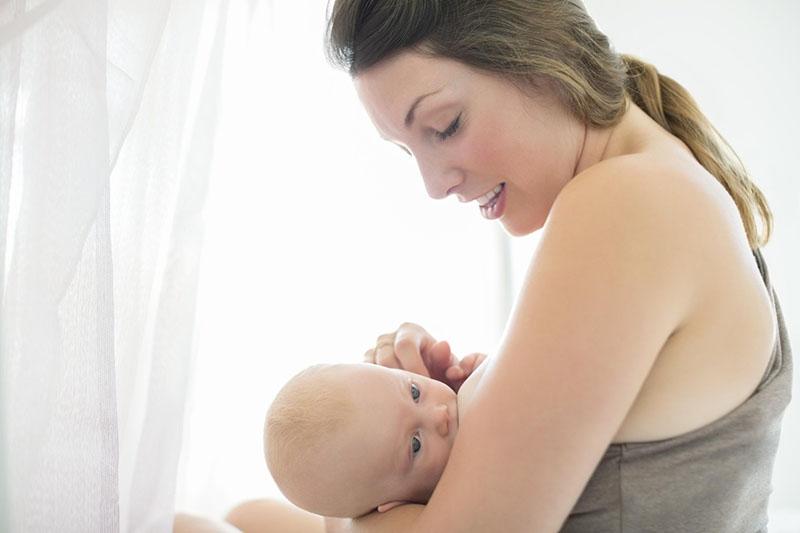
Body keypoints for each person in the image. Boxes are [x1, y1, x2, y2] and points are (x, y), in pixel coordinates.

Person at [176, 0, 793, 531]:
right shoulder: (660, 177)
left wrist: (351, 495)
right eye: (406, 150)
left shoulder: (627, 203)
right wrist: (439, 405)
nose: (433, 185)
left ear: (534, 60)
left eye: (443, 127)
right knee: (243, 516)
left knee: (194, 527)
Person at [263, 353, 486, 518]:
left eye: (415, 392)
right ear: (397, 505)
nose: (439, 415)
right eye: (415, 444)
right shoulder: (462, 508)